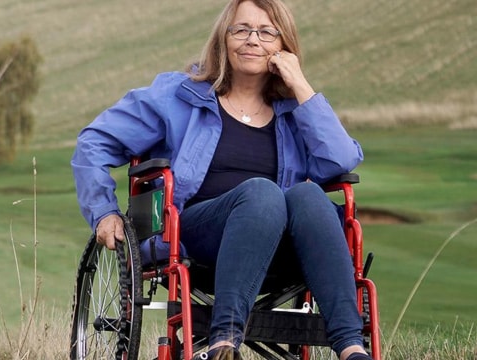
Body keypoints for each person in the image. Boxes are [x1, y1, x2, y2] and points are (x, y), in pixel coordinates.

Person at [71, 0, 373, 359]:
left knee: (308, 197)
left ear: (284, 46)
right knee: (262, 194)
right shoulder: (178, 96)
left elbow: (340, 160)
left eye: (266, 32)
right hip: (197, 236)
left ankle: (352, 348)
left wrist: (301, 86)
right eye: (241, 29)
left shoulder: (297, 113)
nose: (252, 40)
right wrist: (103, 210)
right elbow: (94, 142)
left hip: (279, 248)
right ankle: (224, 342)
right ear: (223, 39)